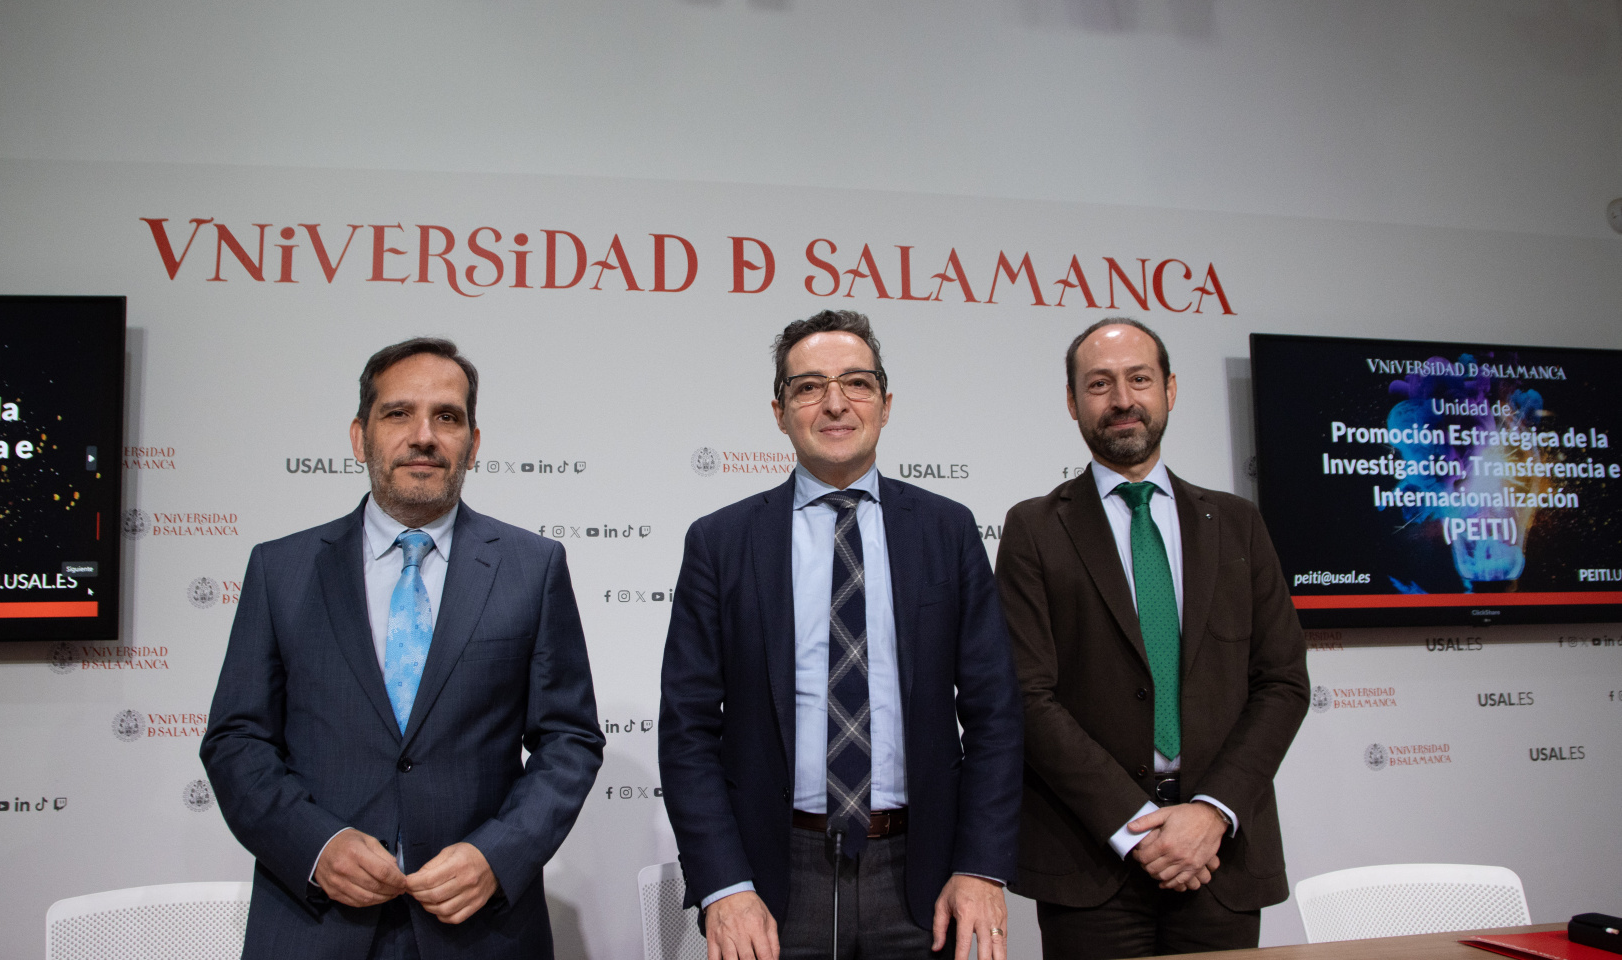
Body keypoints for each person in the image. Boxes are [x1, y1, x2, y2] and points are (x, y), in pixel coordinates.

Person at [200, 337, 604, 960]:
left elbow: (569, 740)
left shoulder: (533, 567)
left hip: (478, 930)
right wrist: (316, 846)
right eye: (398, 414)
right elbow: (236, 740)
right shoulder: (280, 569)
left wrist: (498, 854)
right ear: (360, 437)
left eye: (448, 417)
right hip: (314, 924)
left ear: (473, 441)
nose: (424, 436)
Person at [658, 310, 1023, 960]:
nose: (834, 403)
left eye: (855, 383)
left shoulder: (947, 530)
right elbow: (686, 728)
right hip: (771, 881)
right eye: (808, 386)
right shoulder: (721, 542)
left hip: (923, 872)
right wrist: (723, 884)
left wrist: (981, 866)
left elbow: (996, 714)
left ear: (885, 403)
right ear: (779, 411)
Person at [995, 318, 1309, 959]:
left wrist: (1211, 812)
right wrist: (1137, 828)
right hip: (1093, 863)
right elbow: (1026, 696)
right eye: (1099, 384)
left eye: (1139, 379)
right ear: (1072, 402)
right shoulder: (1034, 529)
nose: (1121, 400)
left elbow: (1281, 682)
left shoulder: (1239, 525)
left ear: (1169, 389)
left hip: (1219, 859)